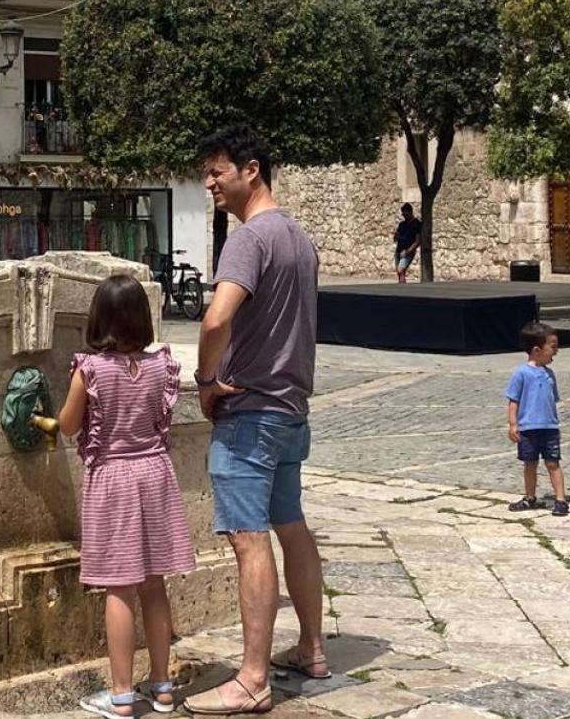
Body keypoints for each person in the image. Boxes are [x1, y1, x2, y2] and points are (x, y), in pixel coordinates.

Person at [185, 125, 323, 715]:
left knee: (248, 539)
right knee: (291, 524)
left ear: (252, 169)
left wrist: (205, 381)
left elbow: (217, 320)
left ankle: (252, 677)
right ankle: (312, 648)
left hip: (250, 411)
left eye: (217, 172)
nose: (209, 183)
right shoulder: (300, 240)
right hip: (292, 410)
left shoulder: (248, 240)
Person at [58, 275, 196, 717]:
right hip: (155, 475)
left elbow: (68, 425)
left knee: (119, 587)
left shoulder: (90, 370)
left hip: (115, 481)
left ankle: (119, 695)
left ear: (99, 318)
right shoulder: (160, 367)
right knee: (154, 584)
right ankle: (162, 687)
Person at [505, 322, 569, 516]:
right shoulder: (521, 373)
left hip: (549, 427)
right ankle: (530, 496)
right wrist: (513, 424)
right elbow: (513, 399)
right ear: (537, 350)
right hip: (528, 428)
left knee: (553, 463)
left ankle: (561, 500)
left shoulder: (550, 374)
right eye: (553, 347)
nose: (556, 352)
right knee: (530, 463)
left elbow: (552, 399)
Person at [393, 203, 421, 283]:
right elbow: (396, 237)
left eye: (406, 214)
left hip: (408, 250)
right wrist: (396, 236)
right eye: (403, 214)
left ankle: (402, 288)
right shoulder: (402, 224)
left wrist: (408, 251)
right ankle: (401, 285)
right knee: (399, 272)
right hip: (399, 250)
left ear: (410, 212)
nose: (404, 216)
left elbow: (417, 241)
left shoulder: (416, 224)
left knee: (401, 270)